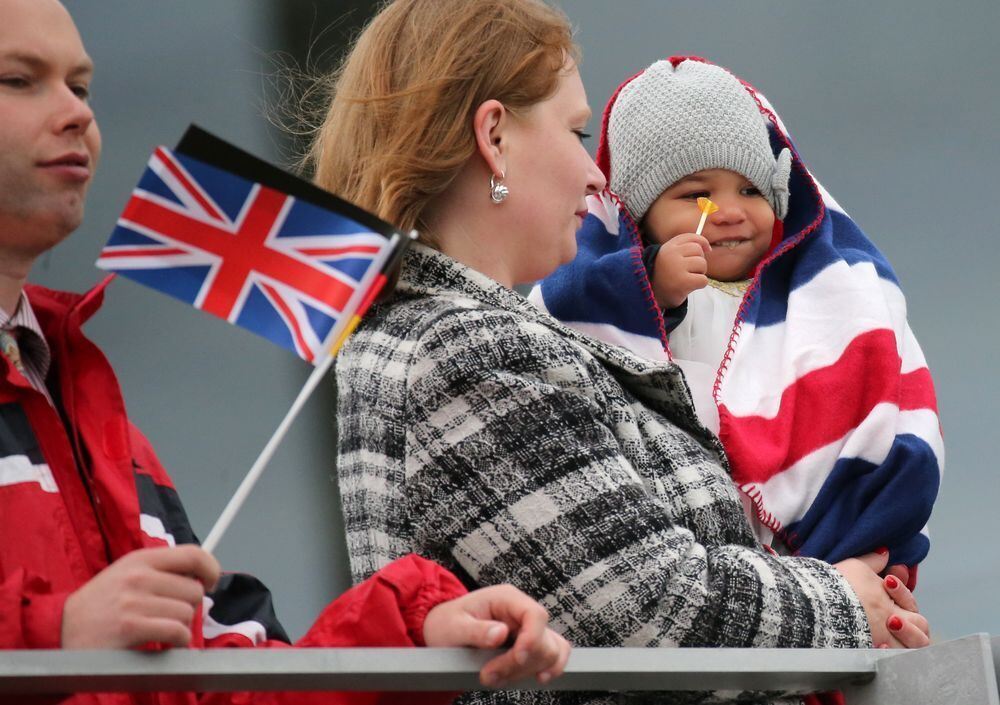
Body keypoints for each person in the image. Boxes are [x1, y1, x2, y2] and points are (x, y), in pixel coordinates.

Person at [313, 1, 930, 703]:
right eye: (577, 131)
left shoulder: (452, 335)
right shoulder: (467, 348)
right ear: (493, 135)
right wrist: (844, 601)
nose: (596, 175)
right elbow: (649, 611)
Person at [0, 0, 570, 703]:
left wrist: (409, 637)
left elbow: (228, 691)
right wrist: (54, 636)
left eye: (81, 86)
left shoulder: (85, 404)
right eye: (19, 80)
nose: (77, 114)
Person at [530, 57, 943, 586]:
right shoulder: (628, 287)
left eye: (750, 190)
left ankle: (860, 580)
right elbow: (575, 328)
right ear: (637, 215)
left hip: (822, 541)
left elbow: (875, 390)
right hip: (705, 544)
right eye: (695, 195)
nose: (728, 210)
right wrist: (650, 285)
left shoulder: (812, 298)